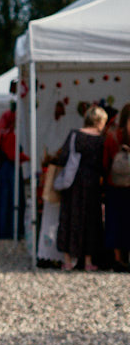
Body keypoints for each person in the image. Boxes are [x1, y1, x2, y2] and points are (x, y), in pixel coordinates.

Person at [51, 104, 108, 271]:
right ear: (99, 121)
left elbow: (63, 157)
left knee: (69, 218)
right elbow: (103, 164)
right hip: (92, 183)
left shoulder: (75, 135)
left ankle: (67, 260)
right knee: (90, 220)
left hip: (72, 181)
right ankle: (88, 261)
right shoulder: (101, 140)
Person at [103, 105, 130, 270]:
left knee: (114, 221)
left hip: (114, 185)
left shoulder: (112, 136)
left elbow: (105, 163)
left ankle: (117, 258)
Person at [0, 108, 19, 239]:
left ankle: (0, 229)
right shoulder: (9, 135)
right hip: (9, 170)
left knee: (1, 200)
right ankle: (6, 229)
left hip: (2, 170)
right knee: (8, 200)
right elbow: (12, 155)